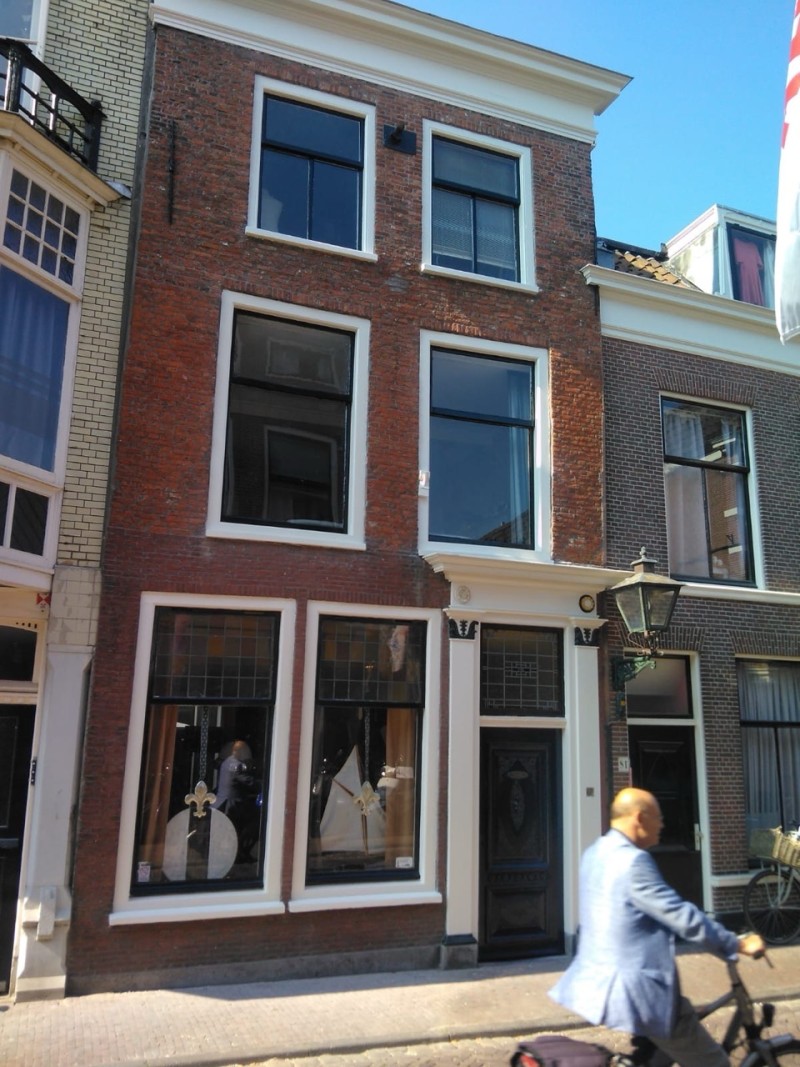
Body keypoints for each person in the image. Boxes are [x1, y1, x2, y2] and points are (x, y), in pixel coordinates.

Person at [549, 787, 764, 1067]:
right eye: (658, 817)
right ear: (640, 818)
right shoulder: (634, 862)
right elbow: (682, 916)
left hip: (600, 983)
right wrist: (736, 943)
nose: (662, 825)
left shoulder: (595, 852)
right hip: (639, 992)